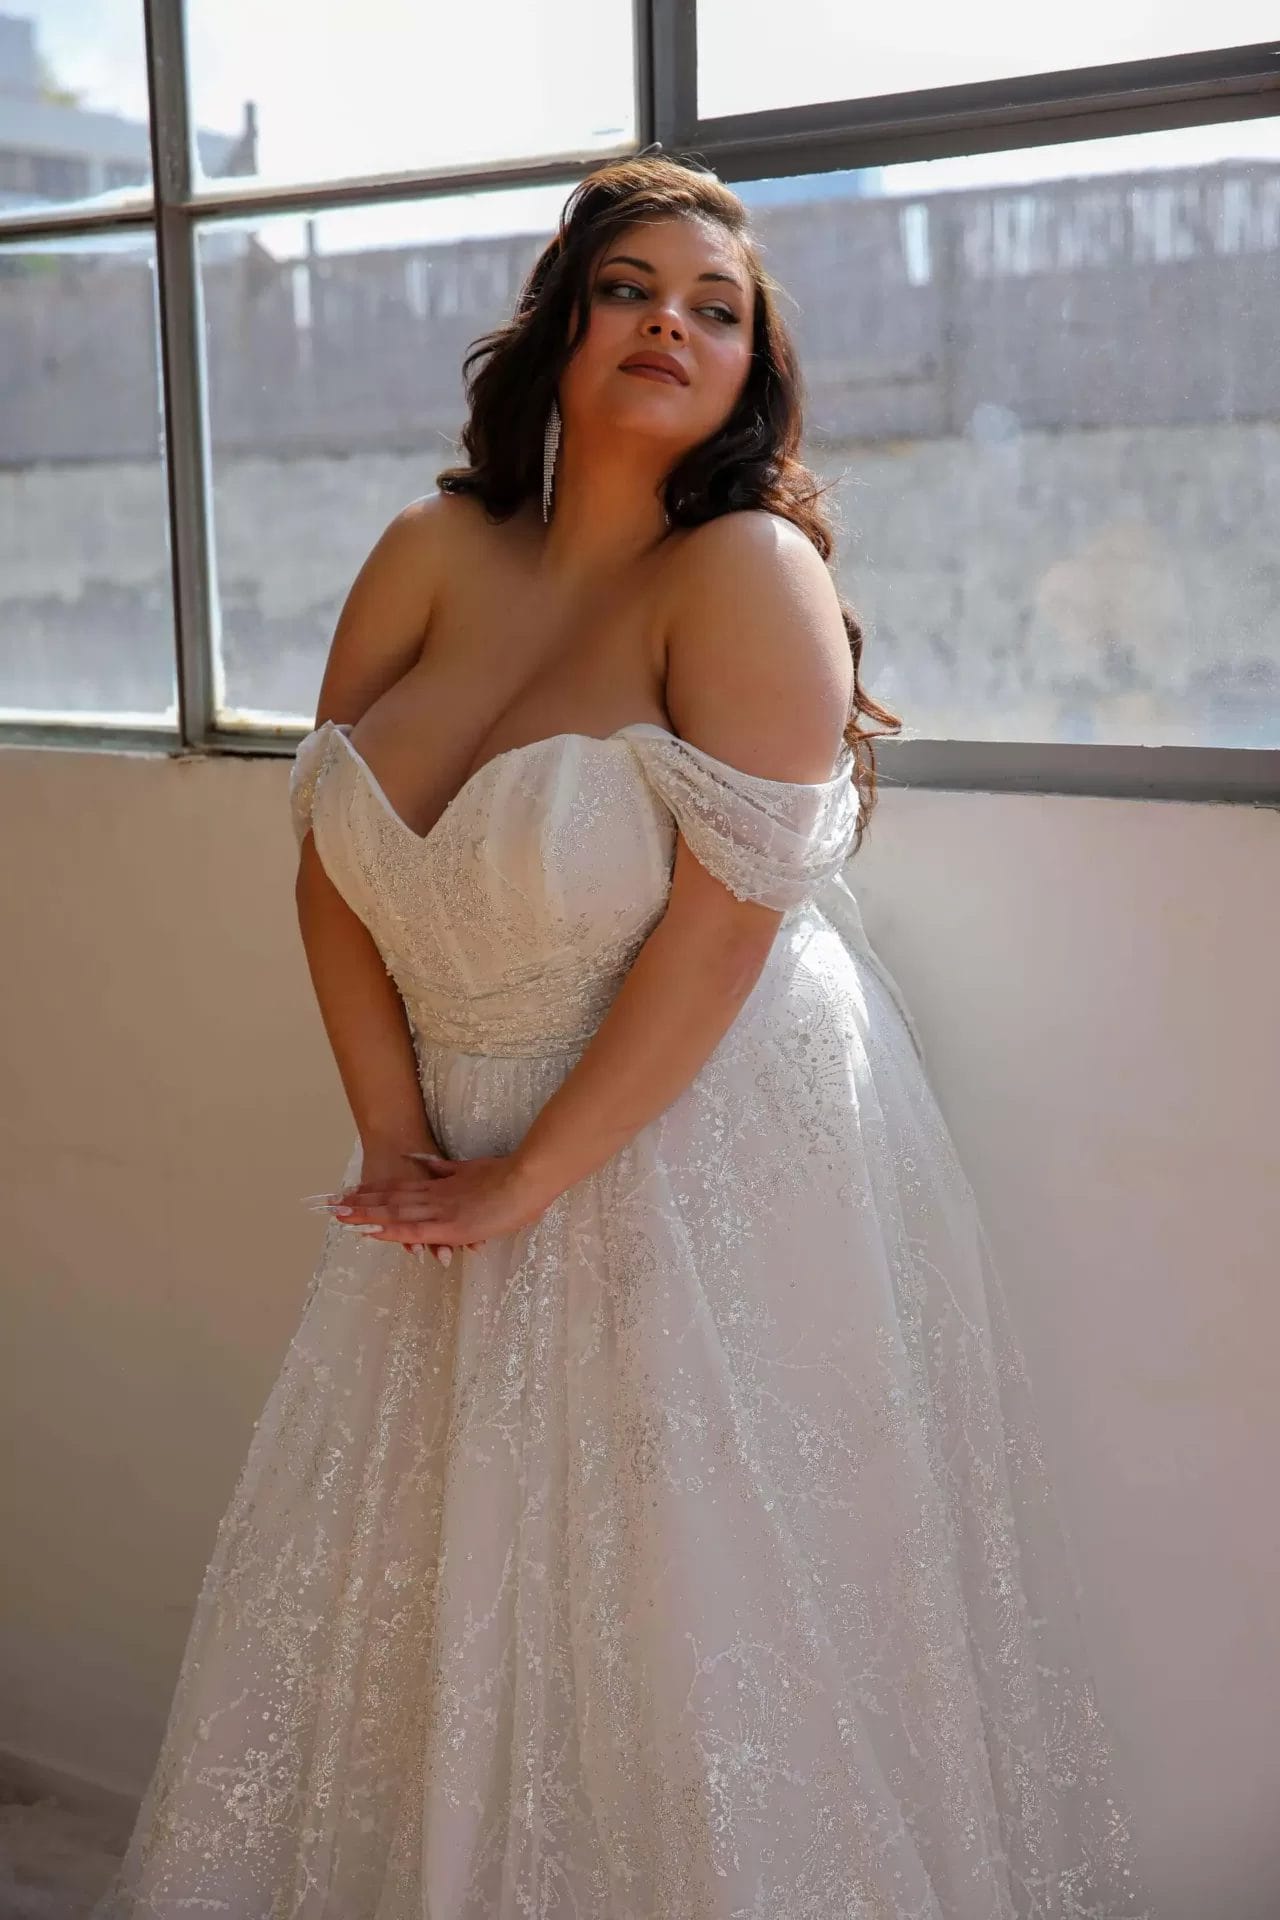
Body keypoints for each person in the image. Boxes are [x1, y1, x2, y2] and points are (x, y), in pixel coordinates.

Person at [93, 154, 1150, 1919]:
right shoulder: (428, 550)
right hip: (452, 1135)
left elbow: (729, 928)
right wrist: (396, 1146)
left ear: (752, 375)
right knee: (439, 1593)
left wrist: (532, 1183)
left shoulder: (741, 573)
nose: (674, 318)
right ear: (564, 323)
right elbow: (334, 859)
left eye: (717, 309)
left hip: (700, 1137)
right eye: (633, 286)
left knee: (684, 1605)